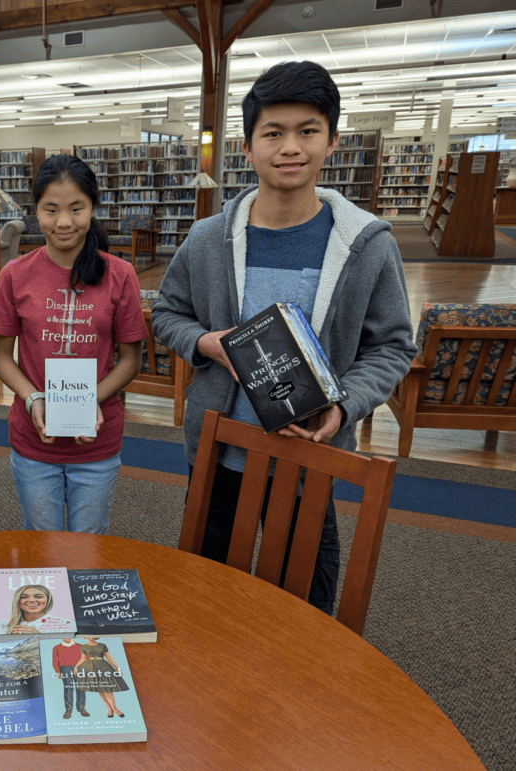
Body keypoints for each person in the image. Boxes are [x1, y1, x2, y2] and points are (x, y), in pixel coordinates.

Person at [150, 60, 417, 614]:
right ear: (247, 147)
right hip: (219, 448)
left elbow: (392, 345)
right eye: (273, 133)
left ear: (332, 141)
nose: (289, 147)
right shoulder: (206, 240)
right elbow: (168, 314)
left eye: (307, 131)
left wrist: (345, 404)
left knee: (305, 605)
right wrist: (208, 345)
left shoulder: (366, 244)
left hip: (308, 456)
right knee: (204, 594)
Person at [0, 154, 147, 534]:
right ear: (35, 211)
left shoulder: (120, 275)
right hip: (33, 441)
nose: (63, 222)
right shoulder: (14, 275)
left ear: (93, 207)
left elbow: (130, 359)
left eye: (77, 208)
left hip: (96, 439)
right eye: (51, 209)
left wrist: (92, 396)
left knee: (87, 547)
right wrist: (32, 398)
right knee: (41, 544)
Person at [73, 636, 130, 718]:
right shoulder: (83, 647)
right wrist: (76, 666)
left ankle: (114, 708)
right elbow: (83, 659)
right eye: (87, 636)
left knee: (106, 688)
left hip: (103, 666)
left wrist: (117, 667)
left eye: (91, 636)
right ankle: (109, 709)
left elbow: (109, 657)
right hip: (91, 668)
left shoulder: (102, 645)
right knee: (100, 689)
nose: (90, 638)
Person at [0, 584, 76, 635]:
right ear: (17, 600)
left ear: (48, 600)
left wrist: (39, 636)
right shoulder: (1, 625)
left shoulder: (66, 624)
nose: (32, 600)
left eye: (39, 596)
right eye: (24, 597)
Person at [51, 638, 90, 719]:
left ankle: (81, 708)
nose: (67, 637)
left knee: (81, 688)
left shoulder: (80, 646)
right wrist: (58, 671)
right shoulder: (56, 647)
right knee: (68, 689)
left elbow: (87, 658)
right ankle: (68, 710)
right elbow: (55, 660)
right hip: (65, 668)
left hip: (79, 668)